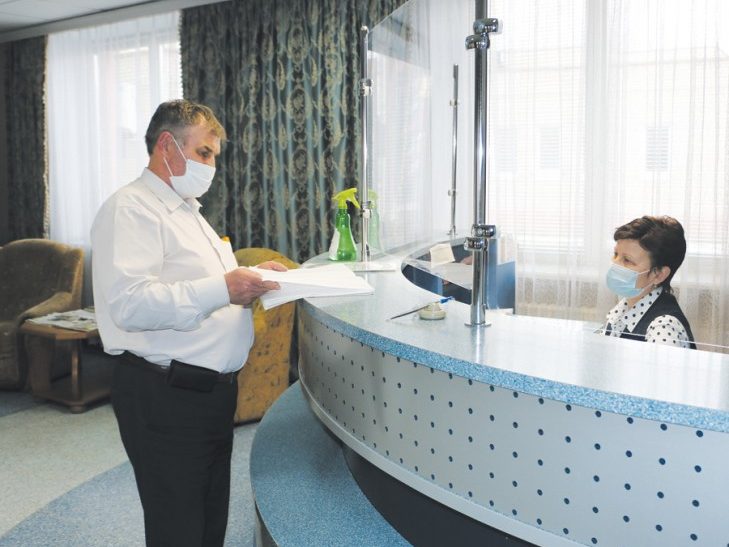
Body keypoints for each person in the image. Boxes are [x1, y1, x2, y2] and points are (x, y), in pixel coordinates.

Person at [91, 99, 286, 546]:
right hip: (166, 395)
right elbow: (130, 303)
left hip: (210, 395)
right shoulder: (132, 209)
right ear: (167, 145)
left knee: (208, 521)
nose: (210, 166)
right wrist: (225, 288)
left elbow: (195, 281)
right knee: (178, 528)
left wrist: (249, 275)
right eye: (203, 153)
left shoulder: (187, 211)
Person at [603, 215, 696, 349]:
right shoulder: (625, 307)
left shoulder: (664, 328)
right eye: (616, 255)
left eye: (627, 260)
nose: (615, 264)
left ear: (658, 274)